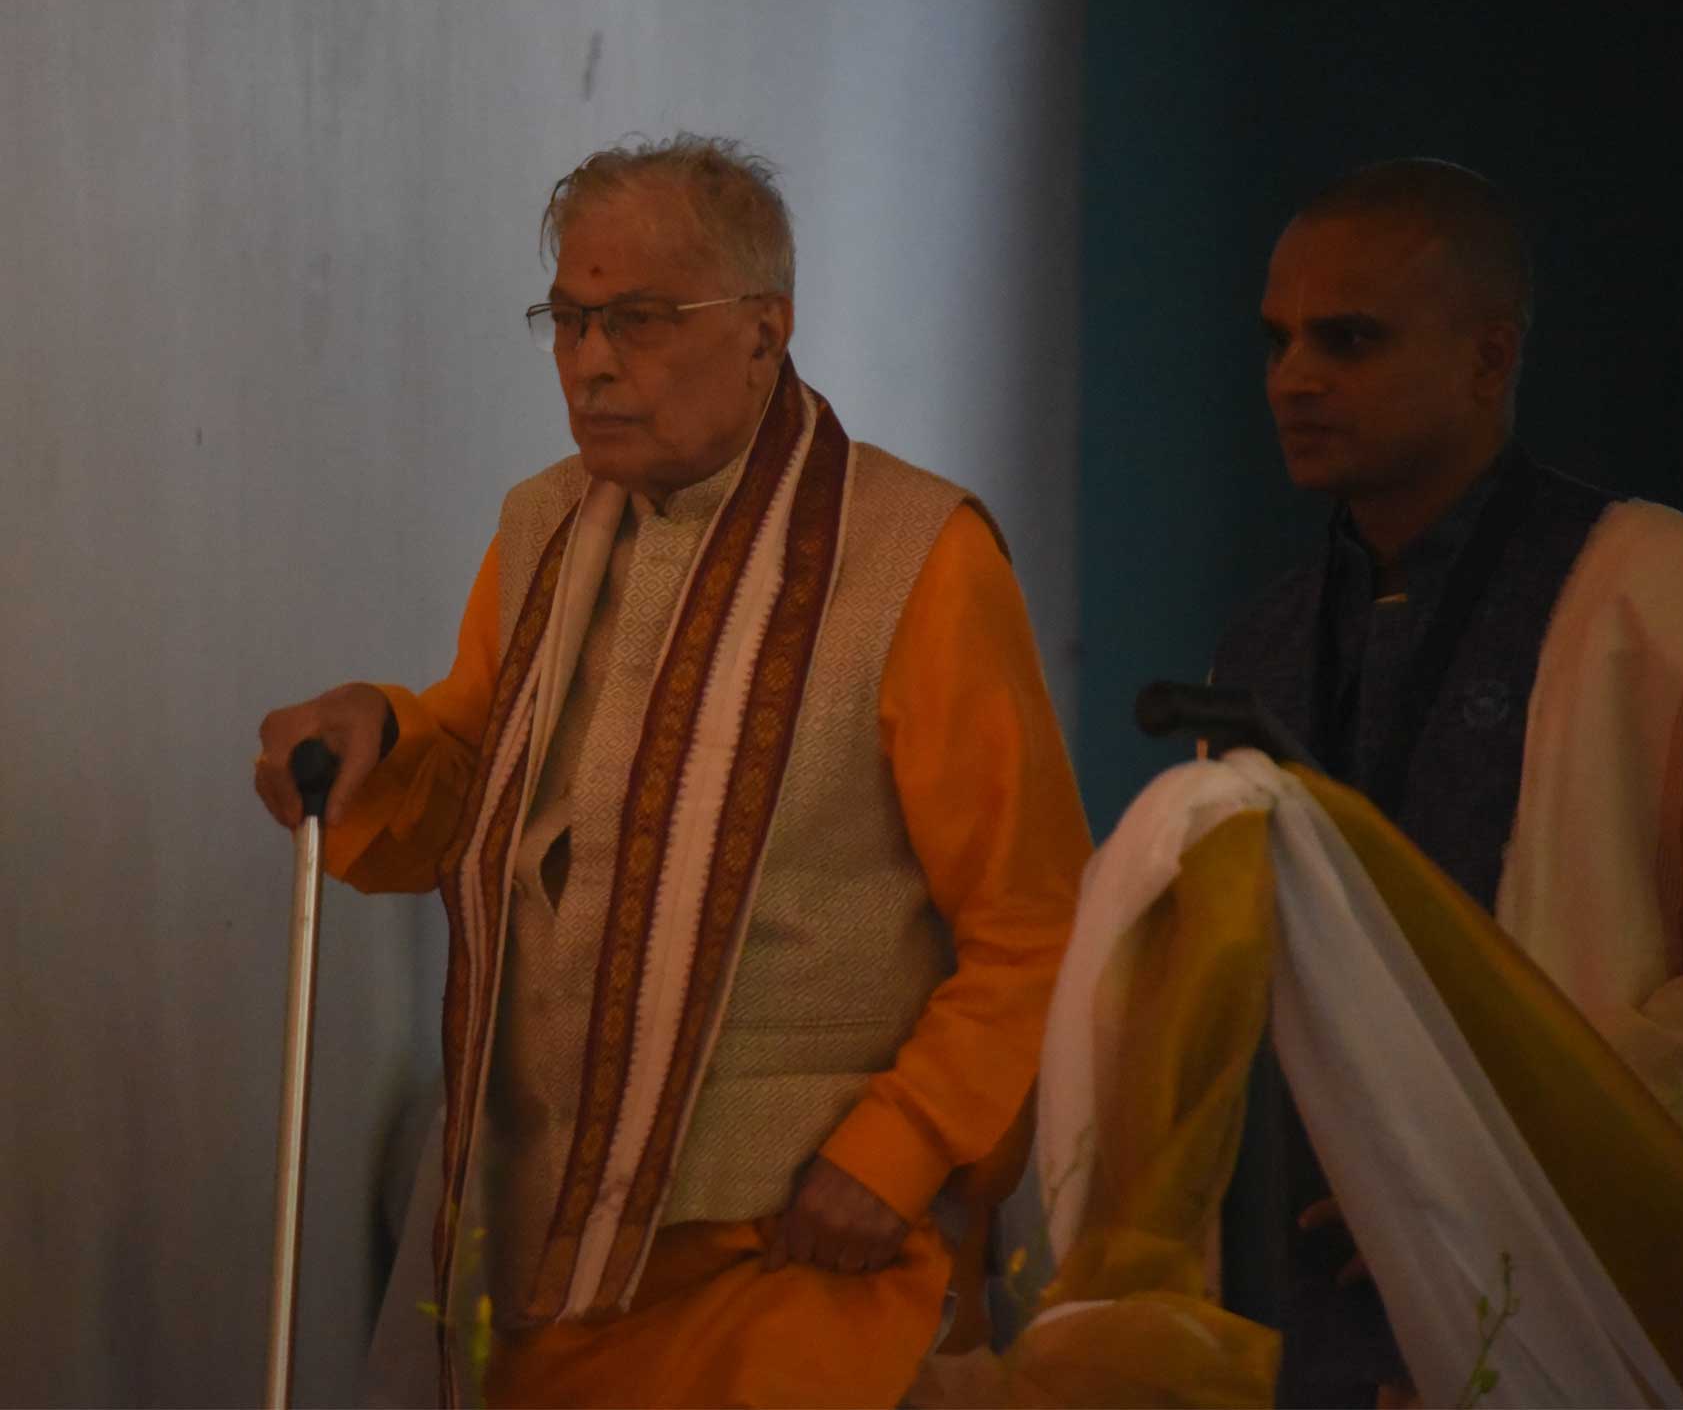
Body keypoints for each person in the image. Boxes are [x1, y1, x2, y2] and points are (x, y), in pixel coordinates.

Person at [253, 135, 1091, 1408]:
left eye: (638, 320)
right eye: (568, 319)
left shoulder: (917, 557)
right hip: (560, 1263)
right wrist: (376, 734)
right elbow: (477, 788)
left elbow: (1036, 920)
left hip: (806, 1255)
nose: (590, 361)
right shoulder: (543, 525)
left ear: (765, 331)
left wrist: (899, 1146)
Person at [1212, 158, 1683, 1407]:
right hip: (1311, 1293)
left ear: (1488, 356)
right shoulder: (1263, 645)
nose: (1293, 377)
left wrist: (1541, 1148)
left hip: (1590, 1269)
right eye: (1278, 340)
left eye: (1347, 338)